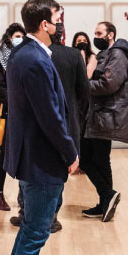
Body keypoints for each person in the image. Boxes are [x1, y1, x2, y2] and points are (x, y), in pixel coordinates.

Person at [0, 0, 78, 255]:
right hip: (41, 158)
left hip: (31, 155)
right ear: (45, 24)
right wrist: (70, 152)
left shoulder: (22, 52)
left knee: (30, 227)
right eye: (58, 17)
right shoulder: (33, 59)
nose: (61, 22)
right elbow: (50, 115)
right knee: (35, 232)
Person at [82, 21, 128, 222]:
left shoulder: (118, 55)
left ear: (110, 34)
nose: (95, 36)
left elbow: (109, 83)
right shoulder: (107, 55)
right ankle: (105, 201)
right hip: (99, 114)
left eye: (99, 33)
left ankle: (107, 196)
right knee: (95, 159)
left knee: (94, 159)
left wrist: (83, 85)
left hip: (107, 115)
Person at [45, 19, 90, 231]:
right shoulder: (73, 55)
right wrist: (75, 114)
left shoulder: (37, 54)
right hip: (67, 119)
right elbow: (84, 91)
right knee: (61, 171)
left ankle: (30, 213)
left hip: (40, 121)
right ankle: (52, 216)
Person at [0, 23, 26, 210]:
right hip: (7, 110)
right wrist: (18, 101)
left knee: (24, 153)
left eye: (21, 36)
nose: (18, 39)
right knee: (5, 154)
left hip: (24, 112)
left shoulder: (26, 56)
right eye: (16, 36)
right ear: (9, 37)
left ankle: (23, 196)